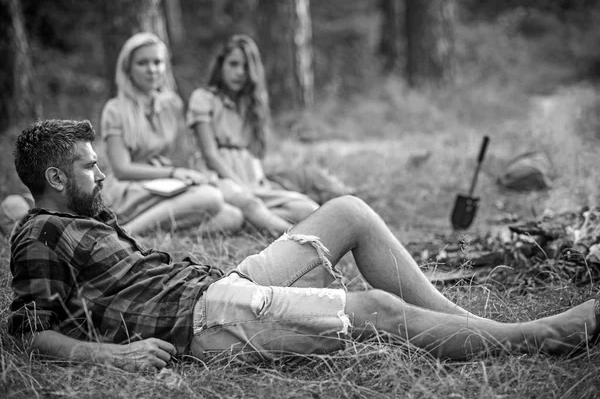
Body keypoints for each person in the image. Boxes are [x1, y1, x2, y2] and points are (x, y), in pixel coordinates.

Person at [8, 119, 600, 371]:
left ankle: (473, 328)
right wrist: (112, 357)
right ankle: (542, 338)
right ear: (56, 179)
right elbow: (30, 330)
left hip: (216, 287)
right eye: (89, 168)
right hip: (201, 322)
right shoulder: (39, 233)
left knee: (349, 212)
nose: (101, 173)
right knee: (376, 312)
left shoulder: (91, 216)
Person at [101, 33, 292, 236]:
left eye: (157, 62)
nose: (151, 70)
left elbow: (180, 157)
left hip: (166, 187)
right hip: (130, 190)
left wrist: (186, 174)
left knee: (232, 216)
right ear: (127, 69)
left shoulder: (171, 105)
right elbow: (122, 169)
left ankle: (157, 232)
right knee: (210, 197)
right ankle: (125, 232)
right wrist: (171, 173)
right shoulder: (116, 109)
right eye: (142, 63)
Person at [187, 34, 319, 225]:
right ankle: (294, 238)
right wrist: (240, 185)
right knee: (250, 204)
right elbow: (210, 155)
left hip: (252, 179)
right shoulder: (203, 98)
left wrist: (258, 182)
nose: (240, 72)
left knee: (307, 208)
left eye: (246, 67)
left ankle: (256, 222)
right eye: (233, 64)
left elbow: (255, 153)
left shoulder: (251, 104)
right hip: (218, 177)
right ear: (221, 65)